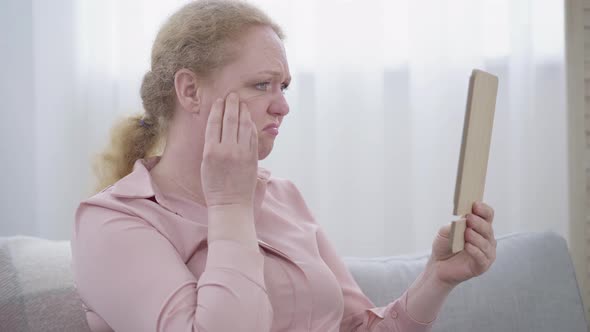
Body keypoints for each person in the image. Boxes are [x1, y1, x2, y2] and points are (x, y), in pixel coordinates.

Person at [70, 1, 497, 331]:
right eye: (261, 85)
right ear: (190, 90)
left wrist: (436, 278)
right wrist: (230, 206)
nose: (283, 105)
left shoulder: (281, 196)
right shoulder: (112, 221)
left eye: (284, 86)